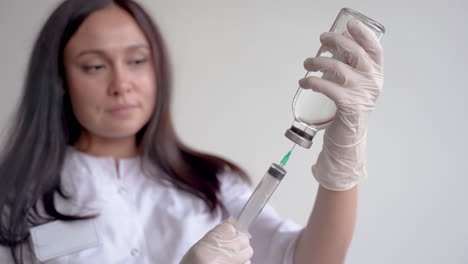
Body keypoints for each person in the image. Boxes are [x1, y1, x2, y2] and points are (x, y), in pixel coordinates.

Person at [0, 0, 384, 263]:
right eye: (94, 66)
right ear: (59, 79)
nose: (122, 84)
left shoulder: (210, 183)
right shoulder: (14, 199)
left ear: (157, 69)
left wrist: (342, 166)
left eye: (136, 60)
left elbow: (307, 259)